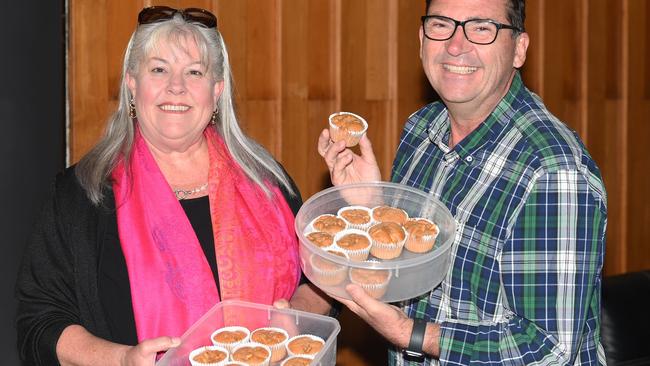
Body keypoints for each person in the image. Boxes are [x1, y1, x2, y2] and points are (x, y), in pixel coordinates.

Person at [15, 6, 329, 366]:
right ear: (132, 84)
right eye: (159, 69)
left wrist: (298, 315)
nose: (176, 87)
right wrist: (123, 359)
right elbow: (39, 323)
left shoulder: (266, 180)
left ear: (216, 91)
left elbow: (321, 277)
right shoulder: (80, 195)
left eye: (194, 72)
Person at [318, 0, 607, 364]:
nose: (456, 45)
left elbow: (548, 349)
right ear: (422, 38)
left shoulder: (553, 168)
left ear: (519, 49)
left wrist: (412, 334)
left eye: (482, 28)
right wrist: (375, 208)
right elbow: (413, 274)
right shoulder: (422, 129)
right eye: (442, 25)